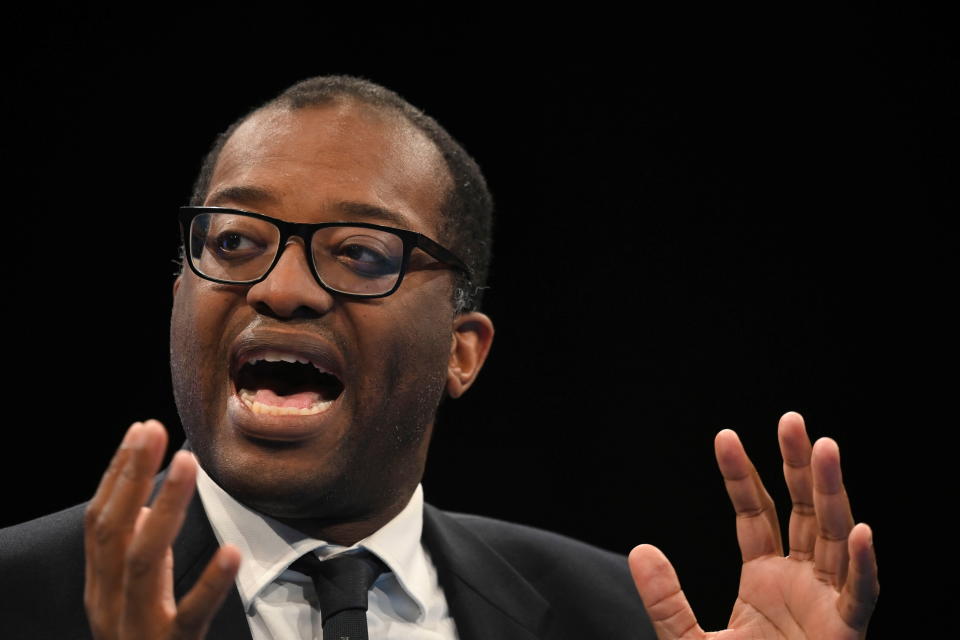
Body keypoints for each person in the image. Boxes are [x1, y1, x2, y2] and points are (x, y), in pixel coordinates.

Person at [0, 75, 879, 639]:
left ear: (464, 354)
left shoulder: (611, 616)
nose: (283, 289)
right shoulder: (24, 597)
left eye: (360, 254)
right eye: (234, 240)